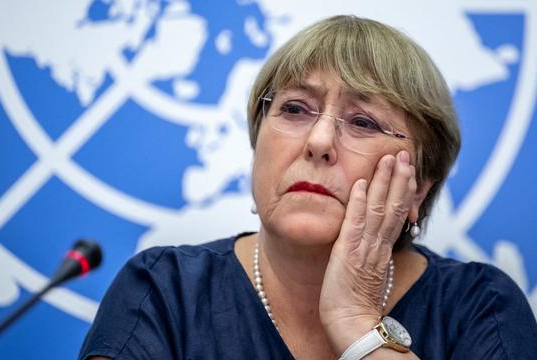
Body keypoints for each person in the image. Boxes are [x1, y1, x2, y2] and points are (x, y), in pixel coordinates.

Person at [79, 15, 537, 359]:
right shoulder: (164, 288)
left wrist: (358, 321)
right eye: (295, 109)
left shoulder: (482, 306)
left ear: (416, 189)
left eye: (362, 121)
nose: (318, 142)